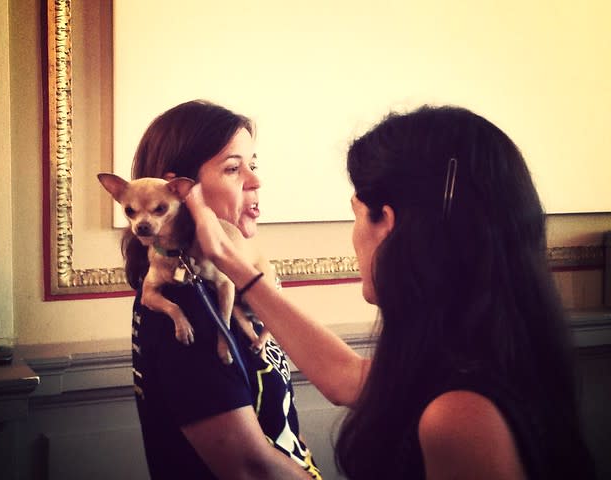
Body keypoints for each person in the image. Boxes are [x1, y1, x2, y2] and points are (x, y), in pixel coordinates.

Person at [185, 104, 596, 479]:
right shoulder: (481, 352)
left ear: (389, 225)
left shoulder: (460, 415)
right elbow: (347, 379)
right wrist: (235, 265)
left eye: (358, 214)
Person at [127, 100, 321, 479]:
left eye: (253, 164)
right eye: (233, 168)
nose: (255, 180)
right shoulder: (189, 302)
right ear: (182, 193)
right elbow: (251, 468)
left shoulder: (227, 286)